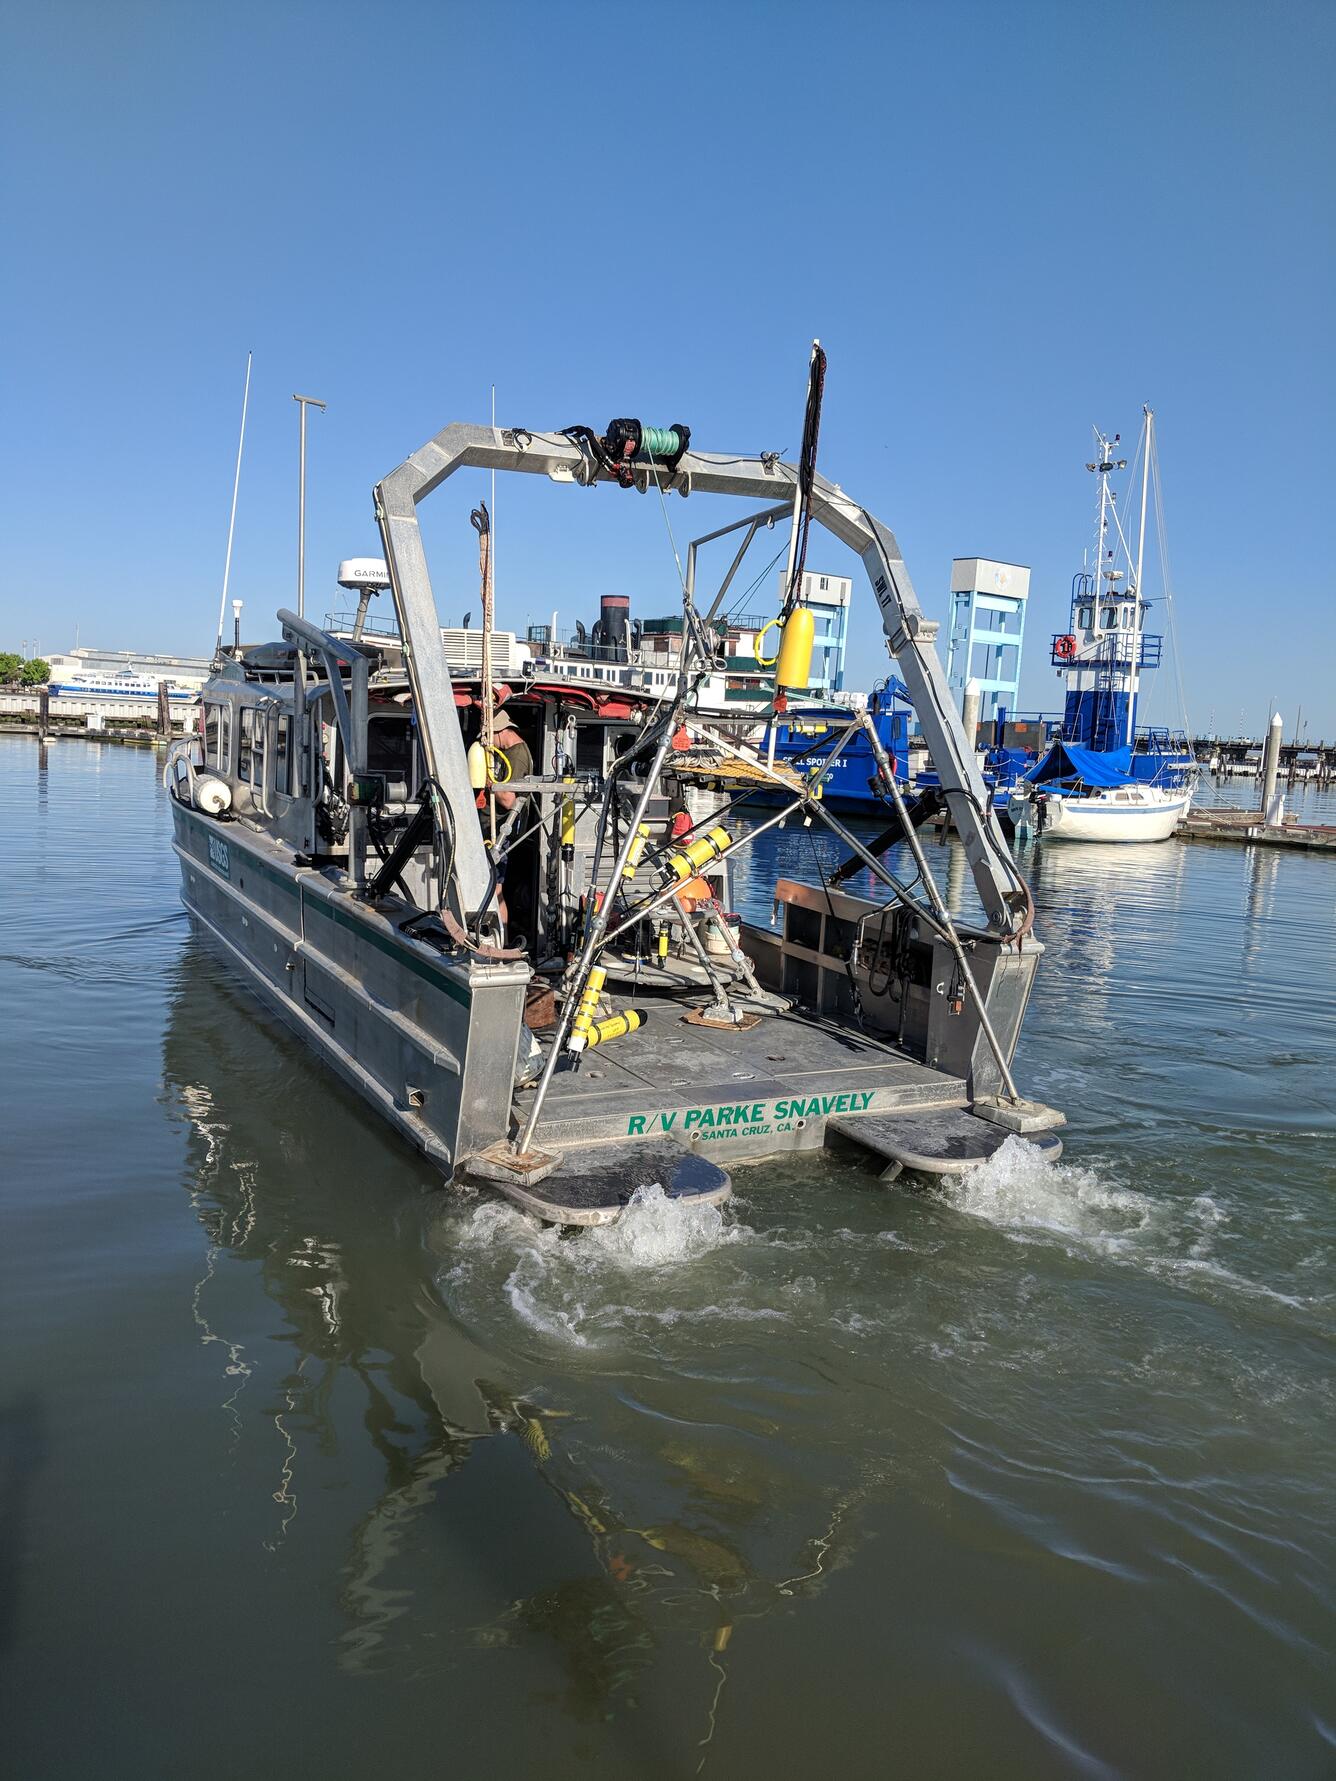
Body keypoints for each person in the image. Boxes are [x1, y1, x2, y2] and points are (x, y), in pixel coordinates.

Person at [478, 708, 532, 936]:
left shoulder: (517, 755)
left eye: (489, 737)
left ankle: (502, 937)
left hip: (499, 831)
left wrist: (489, 782)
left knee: (495, 888)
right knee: (493, 887)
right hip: (493, 827)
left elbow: (510, 799)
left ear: (500, 731)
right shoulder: (510, 752)